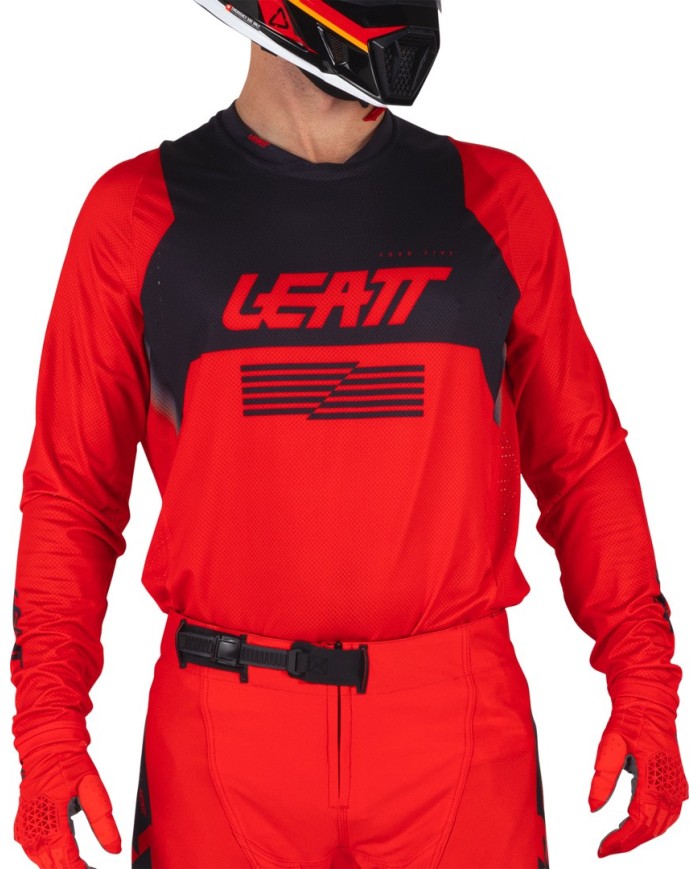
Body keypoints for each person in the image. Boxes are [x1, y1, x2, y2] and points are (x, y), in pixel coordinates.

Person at [10, 1, 688, 867]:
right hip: (223, 734)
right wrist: (49, 730)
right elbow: (72, 494)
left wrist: (644, 680)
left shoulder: (496, 200)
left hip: (454, 723)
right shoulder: (137, 216)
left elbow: (581, 460)